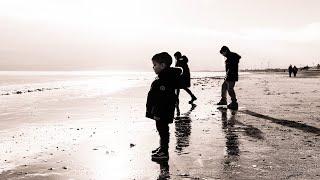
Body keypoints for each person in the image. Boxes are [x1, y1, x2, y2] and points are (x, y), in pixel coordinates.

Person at [146, 52, 182, 161]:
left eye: (155, 65)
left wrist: (156, 112)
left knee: (163, 130)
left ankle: (164, 151)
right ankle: (162, 147)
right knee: (161, 129)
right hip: (161, 110)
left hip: (162, 111)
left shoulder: (165, 80)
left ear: (162, 65)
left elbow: (164, 98)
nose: (153, 67)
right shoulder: (163, 77)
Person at [217, 46, 241, 110]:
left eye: (223, 53)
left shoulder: (231, 57)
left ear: (225, 51)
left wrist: (228, 75)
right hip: (230, 75)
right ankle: (223, 100)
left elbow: (231, 68)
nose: (223, 55)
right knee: (224, 86)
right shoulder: (230, 57)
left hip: (231, 76)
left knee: (230, 89)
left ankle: (234, 103)